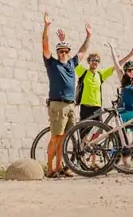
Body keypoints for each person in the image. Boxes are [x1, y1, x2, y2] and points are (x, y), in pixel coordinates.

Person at [41, 12, 91, 178]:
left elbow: (83, 51)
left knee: (65, 138)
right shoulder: (52, 63)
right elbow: (45, 44)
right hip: (58, 104)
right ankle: (50, 169)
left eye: (65, 51)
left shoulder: (71, 63)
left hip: (70, 105)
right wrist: (47, 26)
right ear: (57, 53)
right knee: (55, 137)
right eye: (60, 51)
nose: (63, 53)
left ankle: (60, 167)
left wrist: (88, 36)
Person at [76, 44, 133, 121]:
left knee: (99, 131)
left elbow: (117, 66)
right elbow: (73, 62)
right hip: (85, 107)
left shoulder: (101, 74)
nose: (95, 62)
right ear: (89, 61)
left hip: (97, 107)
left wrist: (130, 55)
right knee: (84, 131)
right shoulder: (83, 72)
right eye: (93, 60)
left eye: (97, 60)